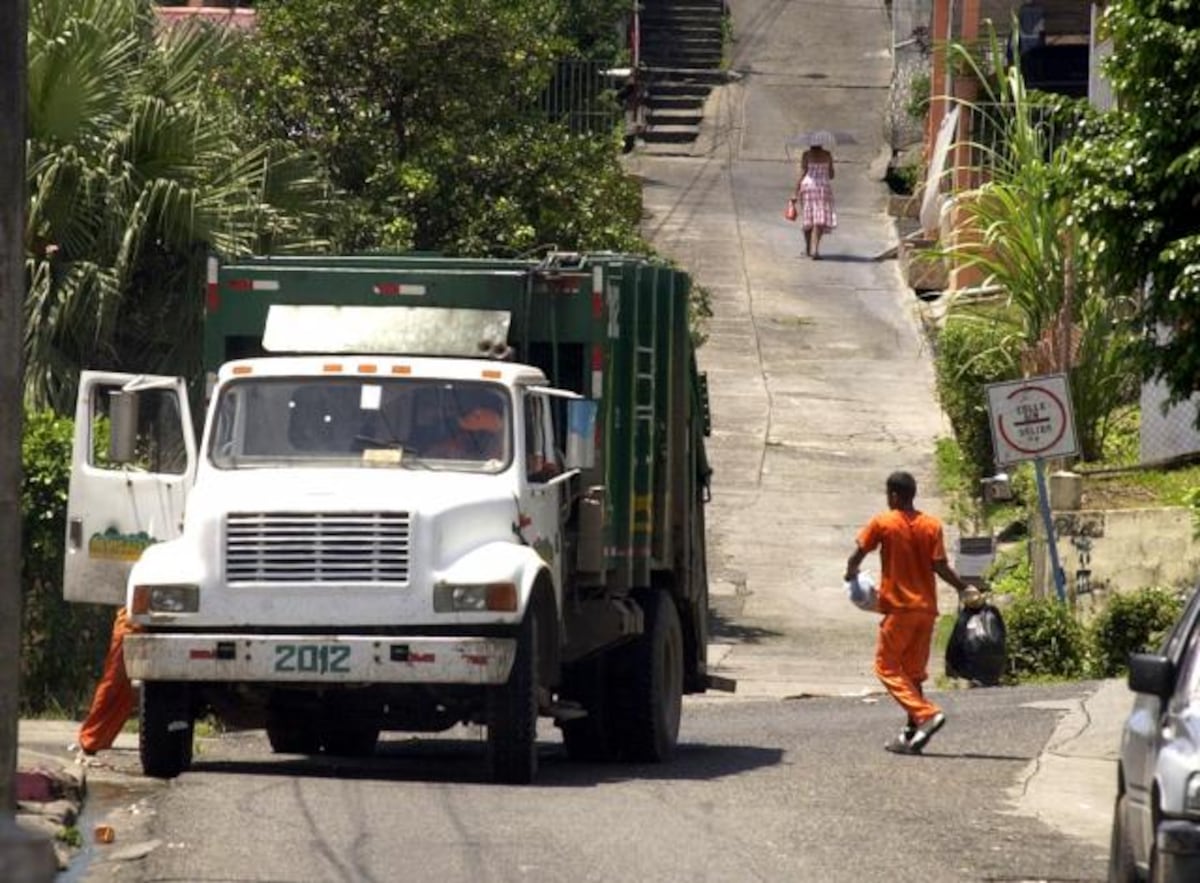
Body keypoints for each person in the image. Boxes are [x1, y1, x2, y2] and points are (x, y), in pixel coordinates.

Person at [844, 471, 973, 755]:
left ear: (893, 495)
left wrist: (850, 576)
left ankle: (926, 714)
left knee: (886, 667)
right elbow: (940, 566)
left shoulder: (883, 522)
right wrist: (965, 588)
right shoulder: (932, 525)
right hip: (926, 612)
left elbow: (857, 555)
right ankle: (910, 734)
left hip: (899, 610)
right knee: (913, 674)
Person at [76, 606, 138, 756]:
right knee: (115, 682)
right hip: (133, 622)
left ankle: (97, 738)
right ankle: (92, 738)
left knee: (125, 690)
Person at [794, 141, 837, 259]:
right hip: (823, 188)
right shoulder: (827, 154)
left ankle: (807, 249)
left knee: (808, 217)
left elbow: (803, 174)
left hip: (808, 187)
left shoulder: (806, 154)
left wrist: (795, 192)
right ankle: (816, 251)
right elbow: (832, 175)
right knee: (819, 219)